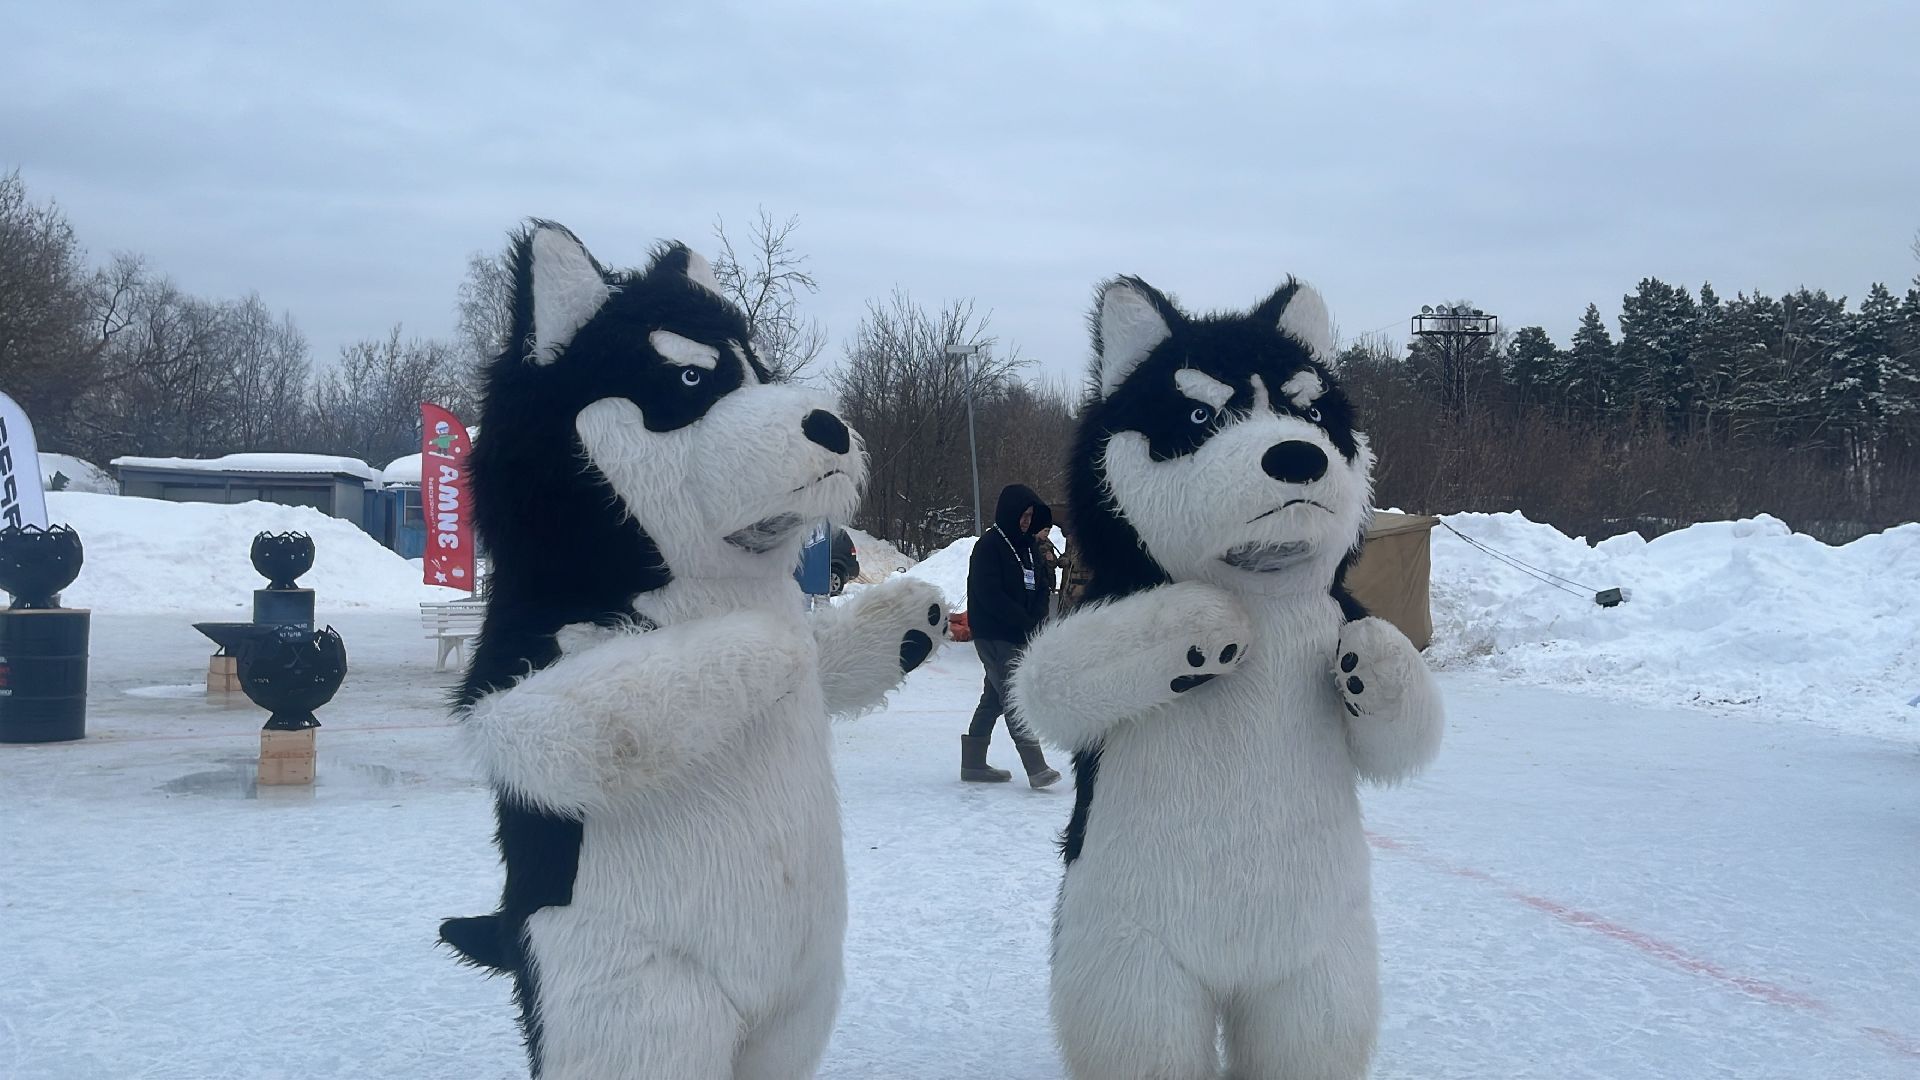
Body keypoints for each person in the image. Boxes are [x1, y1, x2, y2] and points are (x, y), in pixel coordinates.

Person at [961, 484, 1061, 788]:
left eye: (1030, 516)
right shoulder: (989, 546)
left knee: (993, 697)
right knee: (1013, 695)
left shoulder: (1030, 547)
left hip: (1021, 633)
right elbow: (989, 595)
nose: (1026, 521)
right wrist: (1023, 620)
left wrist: (1038, 619)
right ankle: (1036, 767)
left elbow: (1043, 584)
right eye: (1023, 515)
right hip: (994, 634)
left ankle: (973, 763)